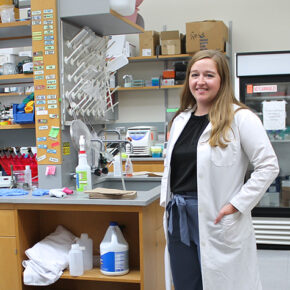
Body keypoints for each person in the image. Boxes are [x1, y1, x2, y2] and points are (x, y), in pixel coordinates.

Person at [160, 49, 279, 290]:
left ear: (222, 80)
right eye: (194, 75)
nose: (200, 81)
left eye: (209, 75)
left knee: (224, 283)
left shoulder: (241, 118)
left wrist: (236, 204)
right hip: (179, 215)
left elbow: (268, 165)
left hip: (218, 215)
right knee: (185, 282)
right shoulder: (180, 119)